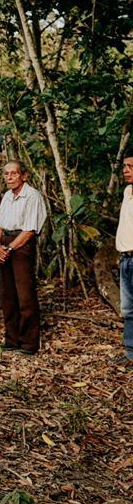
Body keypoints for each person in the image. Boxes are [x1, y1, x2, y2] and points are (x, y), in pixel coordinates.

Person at [0, 161, 47, 354]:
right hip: (6, 243)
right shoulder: (7, 196)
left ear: (24, 176)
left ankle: (29, 342)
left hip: (21, 245)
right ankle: (11, 339)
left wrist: (9, 248)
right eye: (6, 174)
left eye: (13, 173)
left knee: (25, 294)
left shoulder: (32, 196)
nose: (9, 177)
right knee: (7, 294)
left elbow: (30, 230)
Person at [116, 153, 133, 366]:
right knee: (128, 308)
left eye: (130, 166)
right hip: (126, 258)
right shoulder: (127, 191)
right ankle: (130, 351)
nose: (125, 170)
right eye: (124, 166)